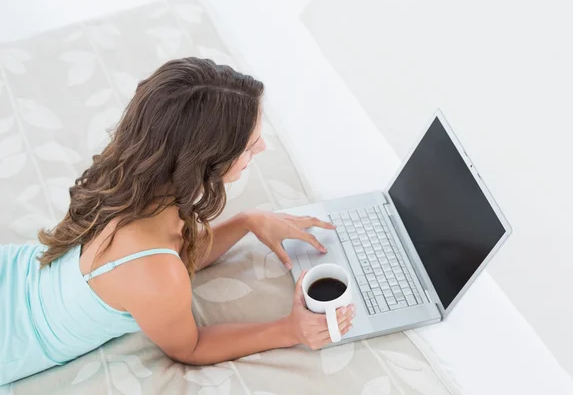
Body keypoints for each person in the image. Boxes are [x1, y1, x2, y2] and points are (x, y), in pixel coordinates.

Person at [0, 57, 356, 385]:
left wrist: (249, 221)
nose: (262, 148)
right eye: (250, 145)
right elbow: (191, 347)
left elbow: (176, 256)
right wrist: (290, 330)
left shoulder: (128, 177)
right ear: (204, 160)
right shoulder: (154, 270)